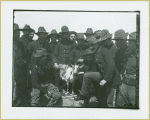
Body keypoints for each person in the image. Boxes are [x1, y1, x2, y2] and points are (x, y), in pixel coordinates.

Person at [75, 34, 120, 107]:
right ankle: (83, 95)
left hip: (111, 79)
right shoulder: (95, 52)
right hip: (102, 75)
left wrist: (105, 79)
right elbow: (91, 61)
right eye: (89, 45)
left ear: (98, 44)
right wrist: (83, 61)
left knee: (109, 102)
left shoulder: (104, 50)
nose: (91, 47)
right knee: (87, 75)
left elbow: (112, 66)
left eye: (93, 45)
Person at [116, 32, 138, 107]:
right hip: (125, 85)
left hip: (134, 87)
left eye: (131, 43)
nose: (128, 44)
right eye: (128, 42)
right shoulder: (128, 54)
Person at [13, 23, 27, 106]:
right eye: (16, 32)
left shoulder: (20, 44)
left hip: (19, 68)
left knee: (20, 86)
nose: (18, 34)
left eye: (18, 33)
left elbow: (23, 57)